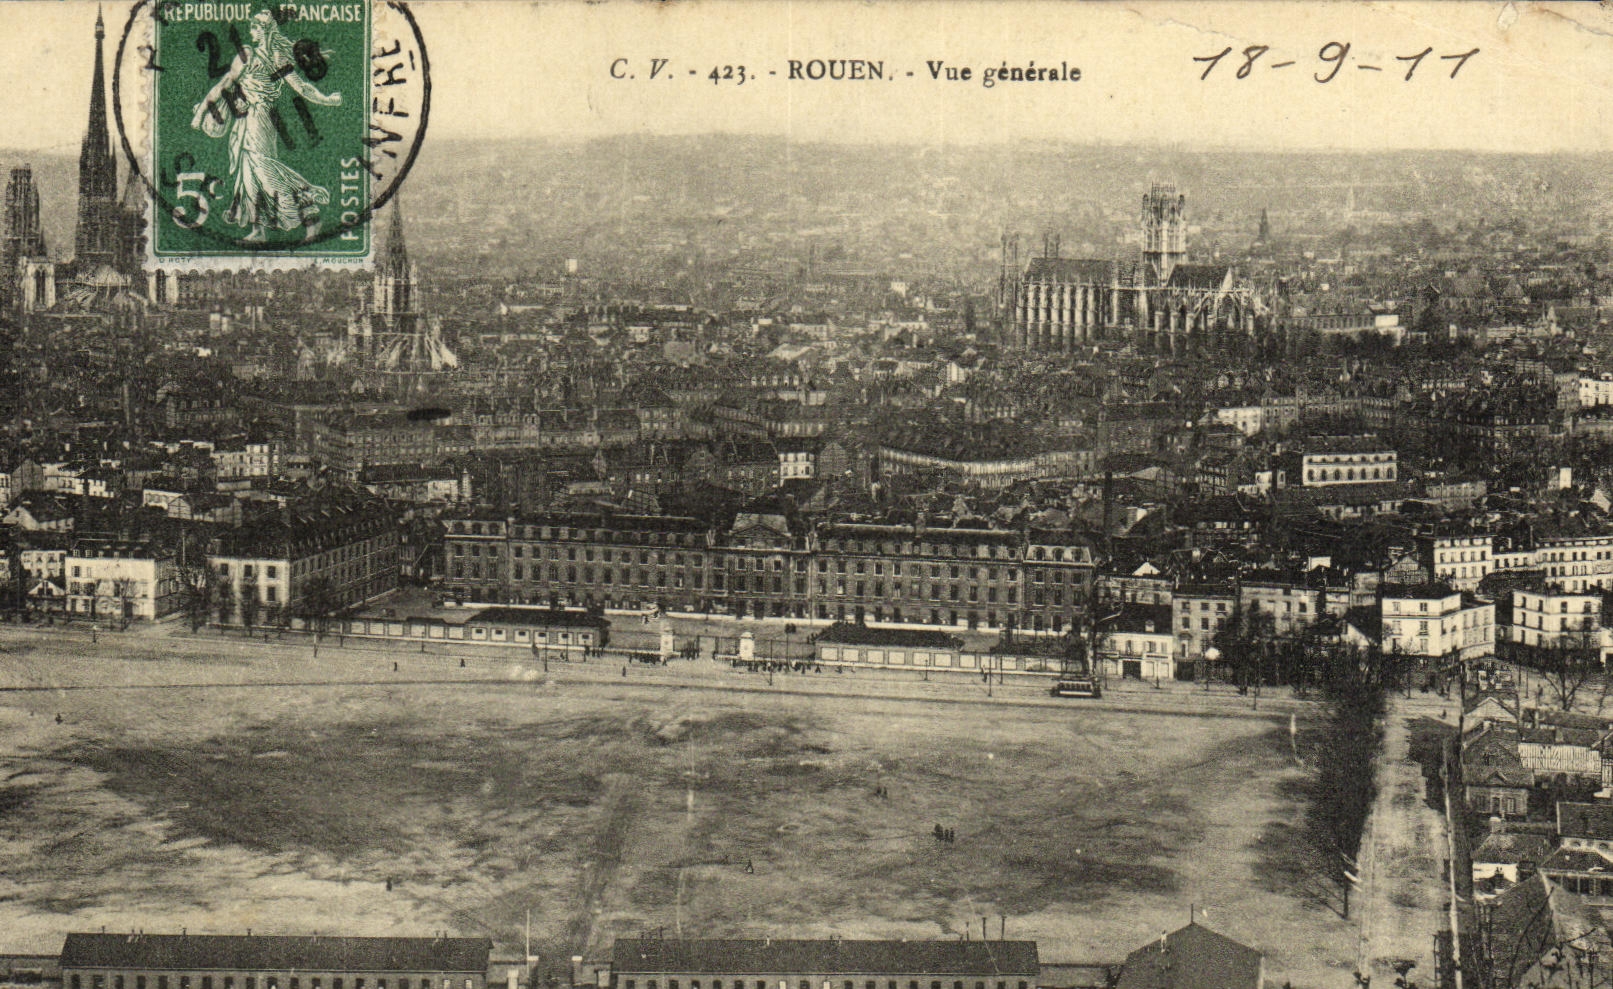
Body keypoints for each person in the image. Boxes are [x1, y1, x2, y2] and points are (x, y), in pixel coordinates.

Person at [191, 11, 342, 242]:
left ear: (264, 31)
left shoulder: (277, 58)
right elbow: (224, 84)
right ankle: (259, 230)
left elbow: (301, 87)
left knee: (264, 171)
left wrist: (327, 99)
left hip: (261, 119)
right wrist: (201, 112)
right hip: (246, 119)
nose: (251, 32)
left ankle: (310, 215)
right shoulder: (247, 55)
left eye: (254, 28)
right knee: (249, 174)